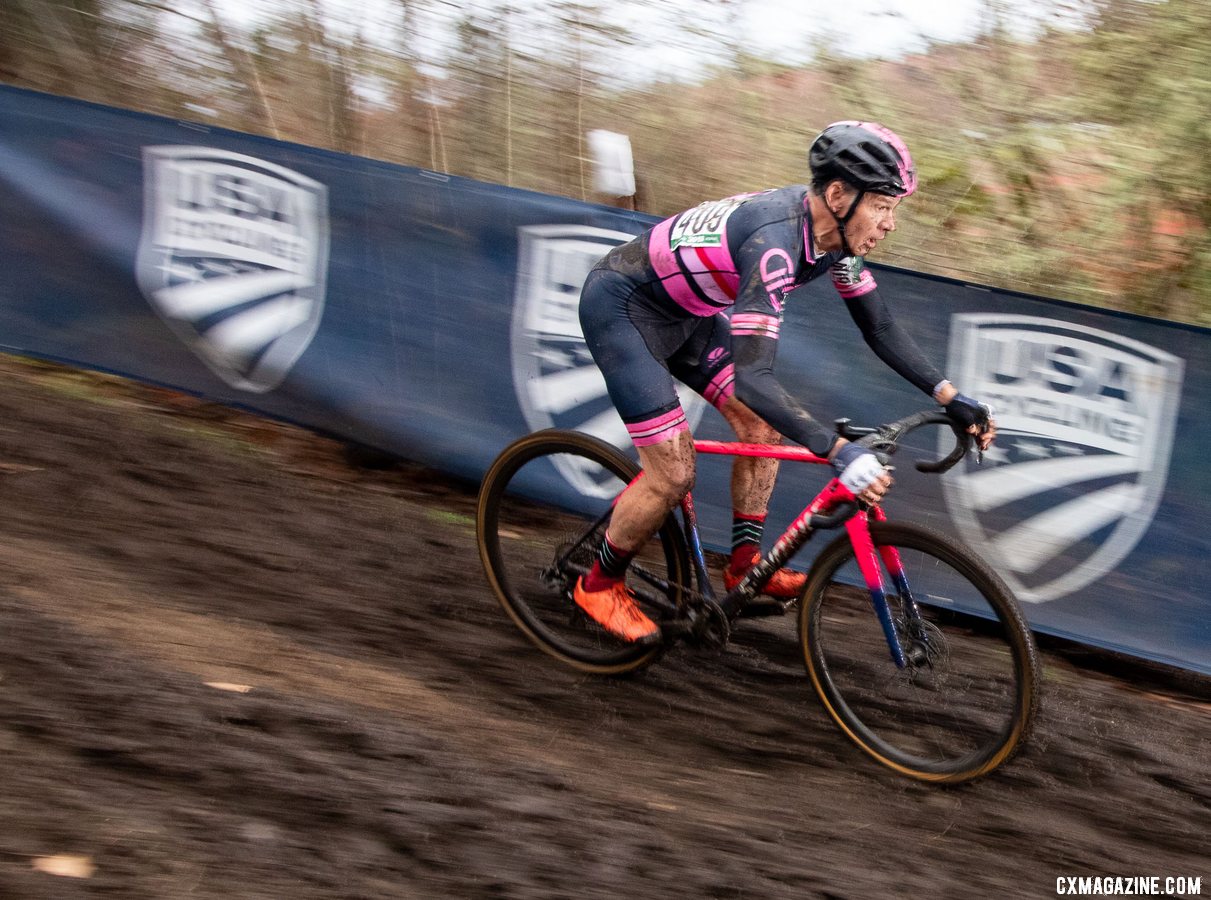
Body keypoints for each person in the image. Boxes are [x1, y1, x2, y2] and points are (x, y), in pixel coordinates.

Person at [575, 120, 996, 643]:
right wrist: (839, 451)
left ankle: (745, 566)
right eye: (883, 206)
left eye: (894, 208)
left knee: (760, 427)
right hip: (624, 308)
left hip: (688, 311)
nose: (890, 223)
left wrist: (951, 397)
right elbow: (754, 379)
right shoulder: (774, 244)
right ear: (839, 194)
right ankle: (598, 582)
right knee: (673, 470)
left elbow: (879, 326)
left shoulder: (836, 241)